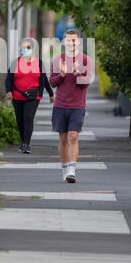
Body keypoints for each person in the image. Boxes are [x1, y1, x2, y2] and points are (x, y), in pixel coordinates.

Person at [50, 29, 91, 183]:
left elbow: (86, 83)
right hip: (60, 104)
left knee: (73, 137)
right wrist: (61, 74)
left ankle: (72, 170)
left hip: (77, 105)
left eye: (74, 40)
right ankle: (64, 167)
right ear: (64, 42)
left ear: (78, 41)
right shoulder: (57, 59)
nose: (71, 43)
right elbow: (52, 83)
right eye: (68, 40)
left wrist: (76, 72)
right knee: (62, 138)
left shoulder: (86, 60)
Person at [5, 38, 54, 154]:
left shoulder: (38, 63)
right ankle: (23, 141)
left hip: (34, 96)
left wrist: (51, 94)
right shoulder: (15, 63)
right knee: (20, 120)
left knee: (28, 117)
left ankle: (26, 144)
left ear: (32, 49)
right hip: (17, 95)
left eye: (28, 47)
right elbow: (9, 79)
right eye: (23, 47)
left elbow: (44, 79)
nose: (25, 49)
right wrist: (8, 91)